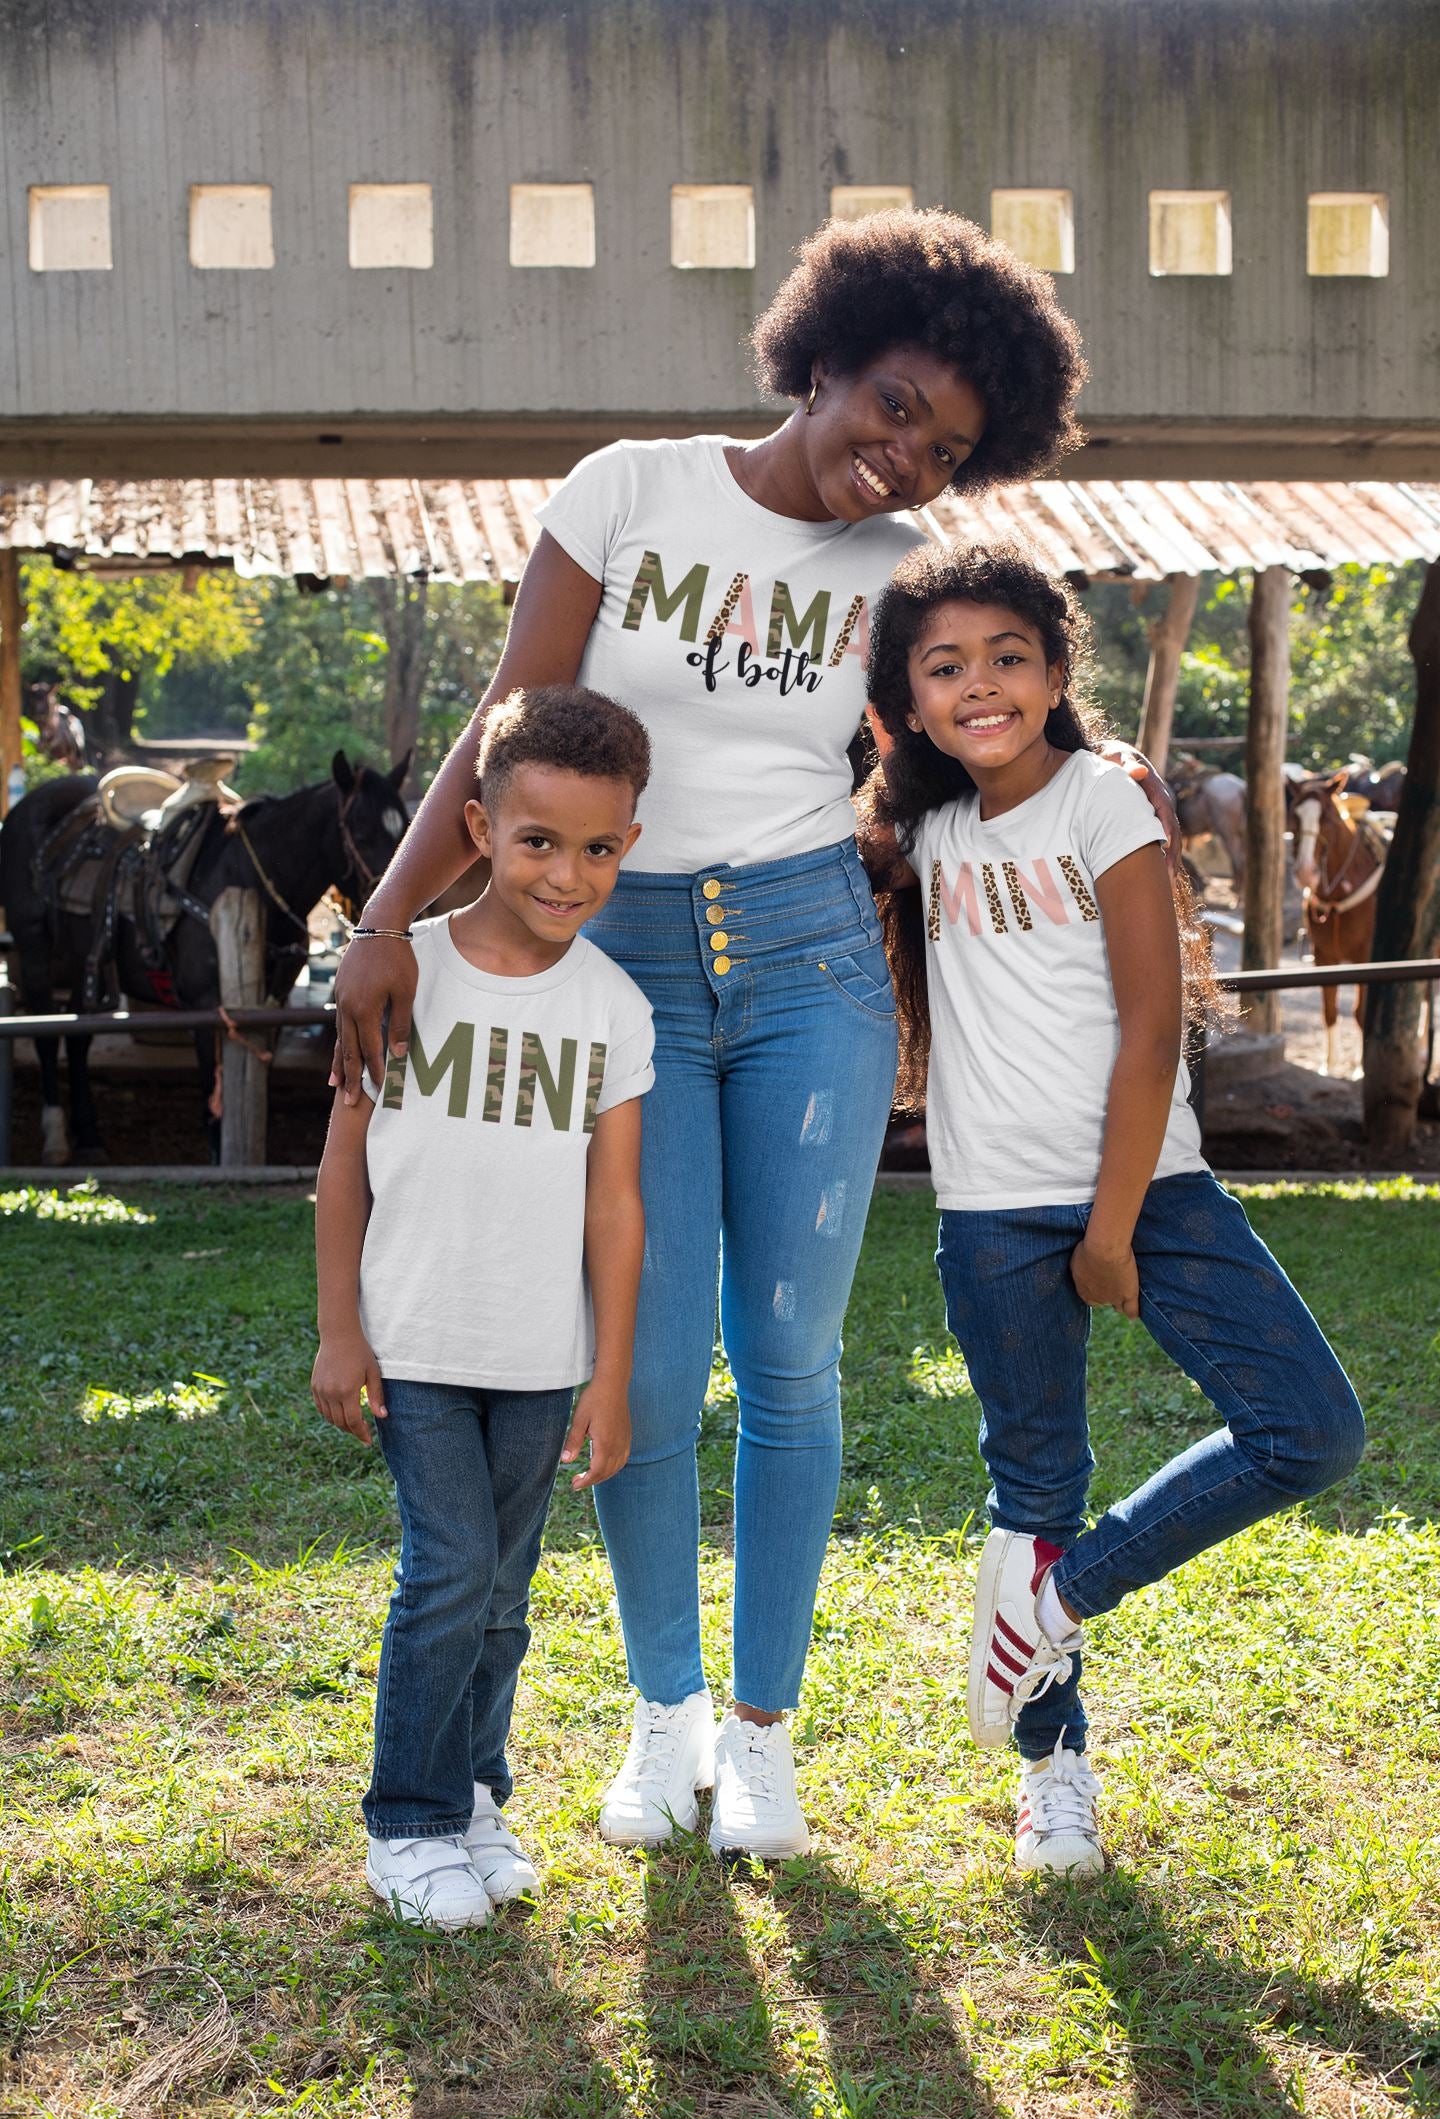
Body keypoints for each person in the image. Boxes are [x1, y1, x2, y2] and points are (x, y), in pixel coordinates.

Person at [330, 207, 1162, 1862]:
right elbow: (508, 729)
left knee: (786, 1366)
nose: (906, 456)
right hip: (615, 960)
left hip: (806, 969)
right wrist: (391, 928)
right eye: (898, 405)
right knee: (638, 1363)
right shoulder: (629, 487)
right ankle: (665, 1720)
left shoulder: (900, 573)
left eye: (949, 447)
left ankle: (765, 1740)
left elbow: (979, 739)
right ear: (827, 356)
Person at [856, 542, 1365, 1877]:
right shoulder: (923, 831)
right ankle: (1053, 1771)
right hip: (985, 1216)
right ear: (908, 702)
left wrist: (1107, 1229)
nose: (981, 685)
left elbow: (1153, 1037)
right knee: (1034, 1481)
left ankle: (1066, 1592)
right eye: (945, 666)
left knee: (1308, 1431)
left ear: (1058, 670)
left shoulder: (1104, 802)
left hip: (1152, 1196)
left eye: (1008, 657)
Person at [311, 685, 654, 1928]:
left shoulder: (616, 1007)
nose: (569, 874)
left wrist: (610, 1375)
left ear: (629, 842)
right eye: (538, 841)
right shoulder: (403, 974)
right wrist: (339, 1328)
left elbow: (615, 1210)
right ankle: (405, 1823)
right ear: (479, 827)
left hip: (540, 1355)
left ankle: (471, 1794)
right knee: (450, 1567)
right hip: (412, 1342)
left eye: (600, 848)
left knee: (506, 1588)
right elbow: (341, 1165)